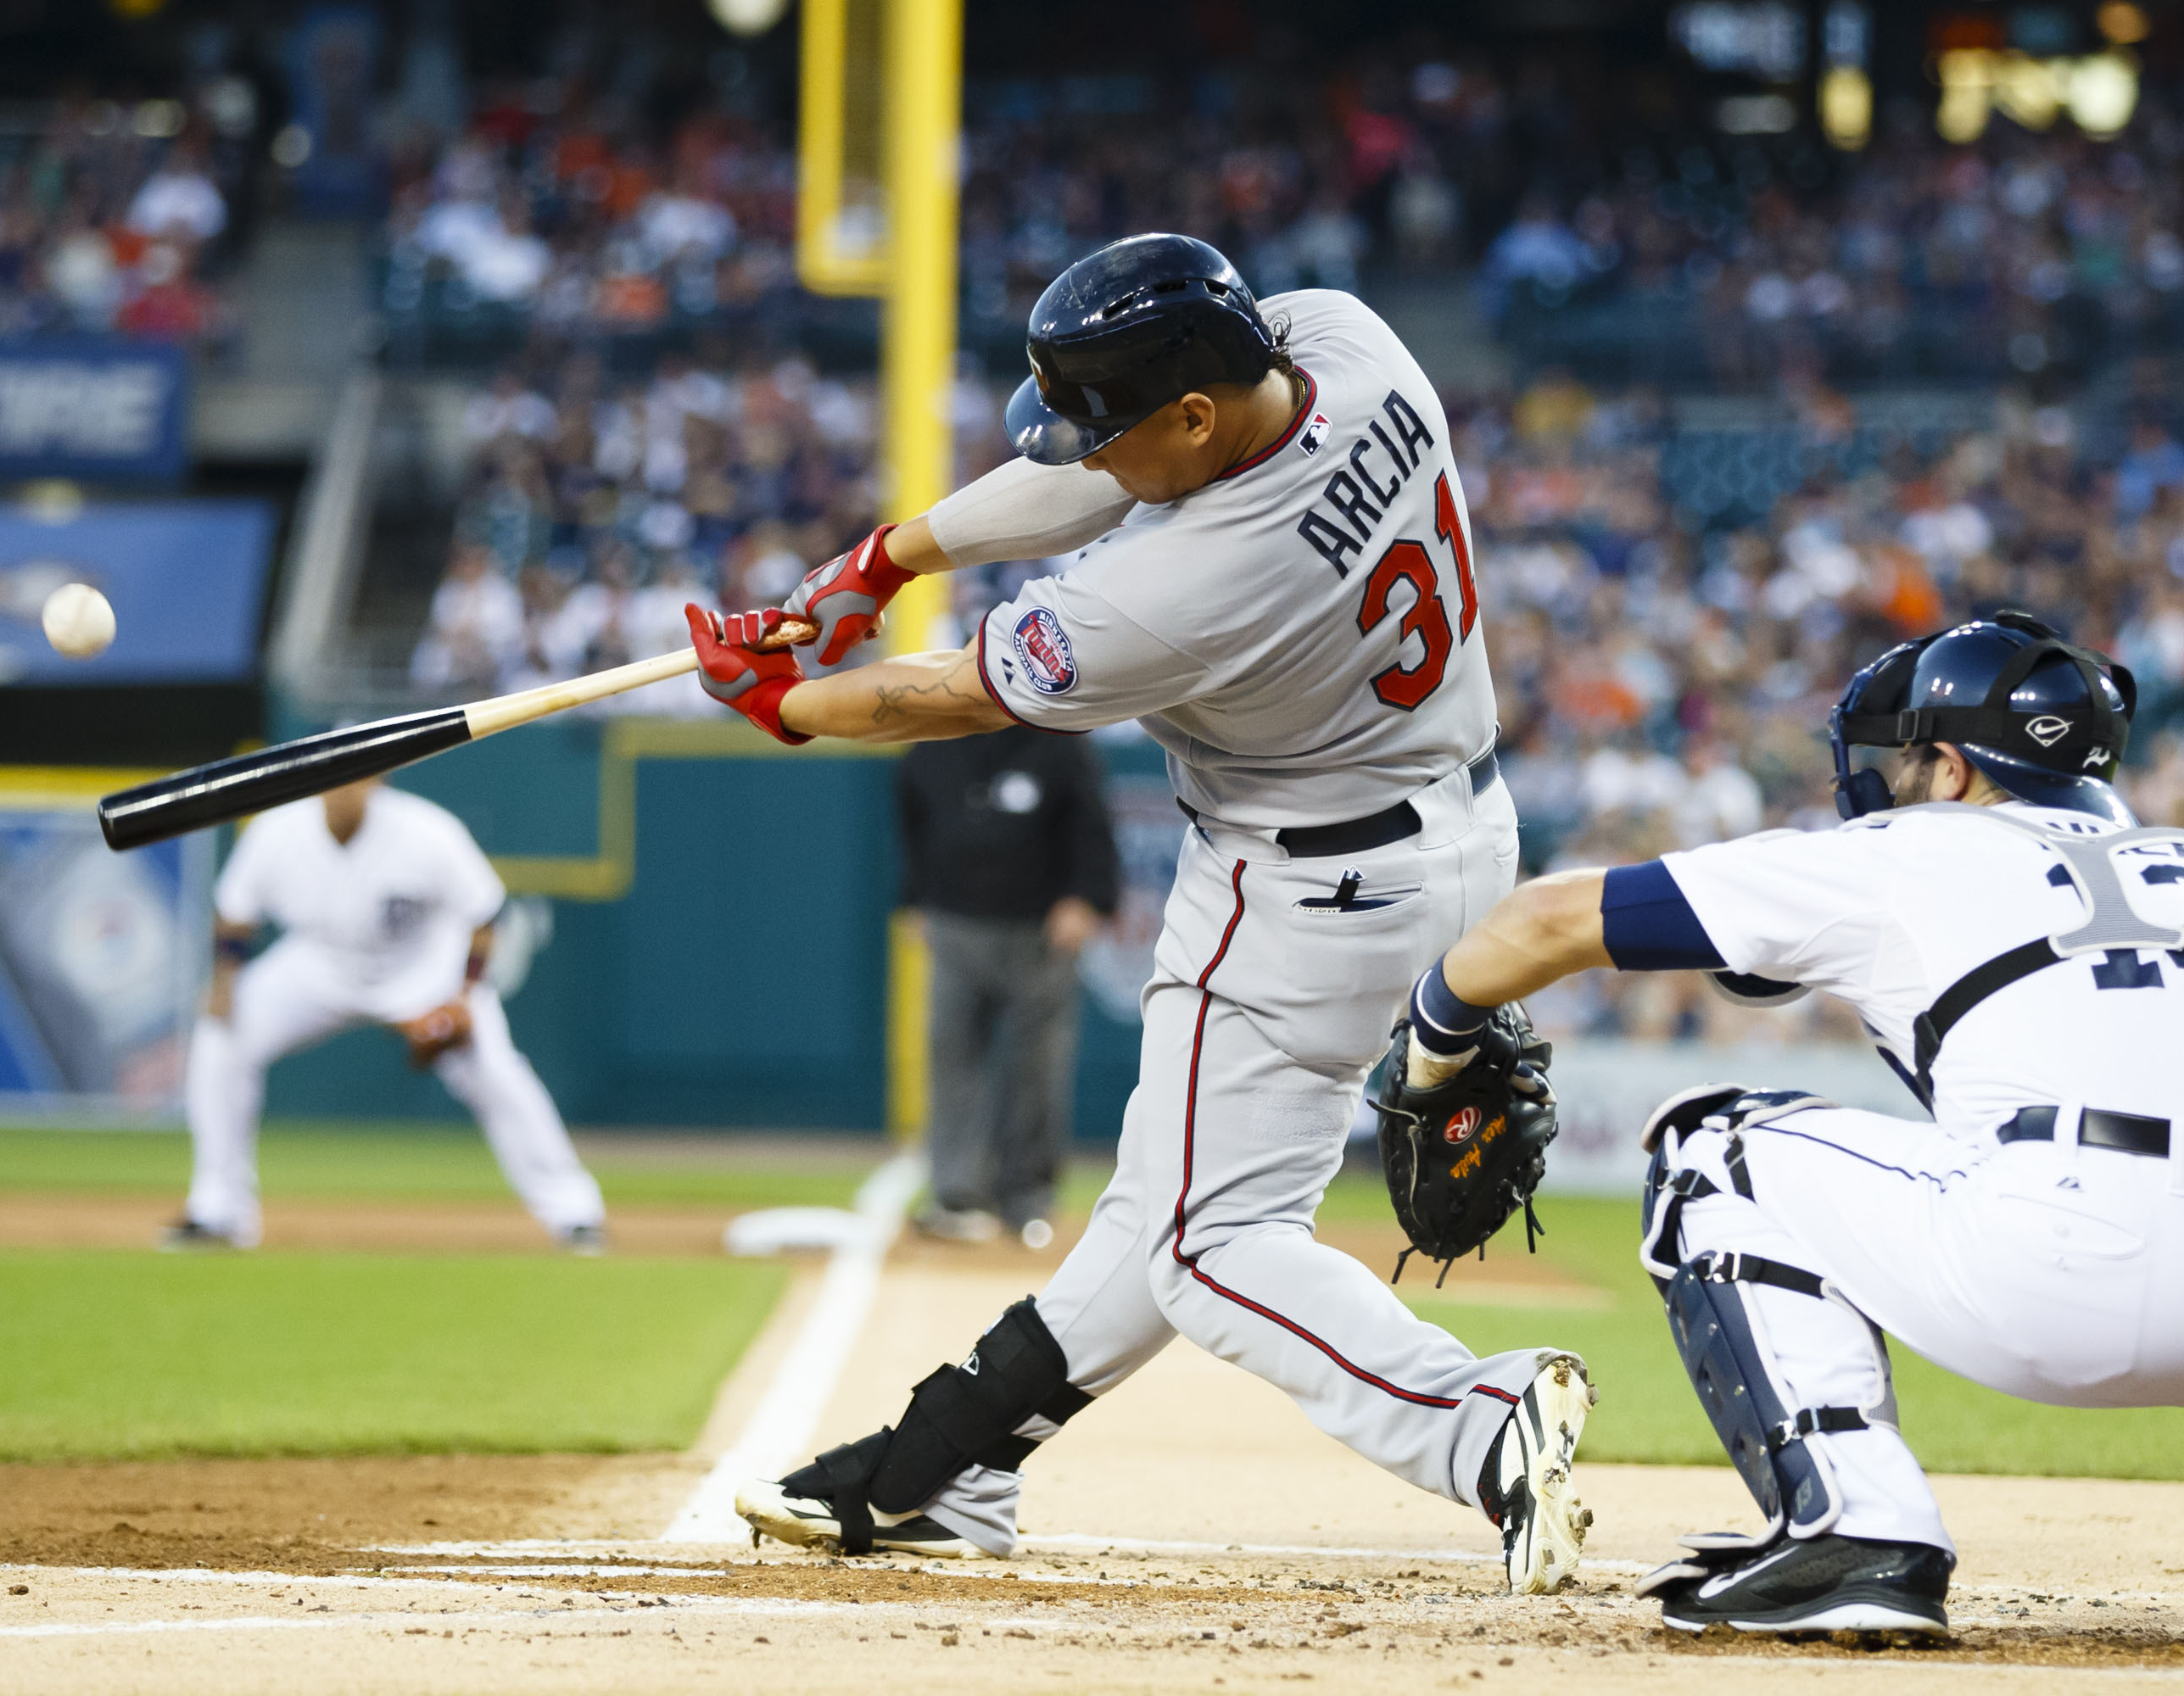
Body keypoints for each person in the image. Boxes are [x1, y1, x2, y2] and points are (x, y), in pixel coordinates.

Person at [690, 234, 1596, 1592]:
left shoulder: (1178, 592)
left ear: (1191, 412)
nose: (1085, 453)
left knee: (1210, 1247)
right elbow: (1079, 481)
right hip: (1458, 834)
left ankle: (1477, 1425)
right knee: (1165, 1205)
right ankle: (956, 1464)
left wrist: (786, 702)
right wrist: (880, 561)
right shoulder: (1349, 342)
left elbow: (941, 697)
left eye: (1111, 428)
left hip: (1300, 889)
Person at [1400, 612, 2179, 1635]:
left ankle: (1858, 1528)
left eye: (1907, 757)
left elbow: (1548, 921)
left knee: (1711, 1151)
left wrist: (1432, 1039)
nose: (1891, 778)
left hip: (2063, 1269)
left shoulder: (1911, 848)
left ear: (1950, 768)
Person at [164, 773, 605, 1254]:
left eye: (357, 773)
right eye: (333, 773)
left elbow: (485, 914)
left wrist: (464, 996)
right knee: (221, 1038)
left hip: (423, 969)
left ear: (378, 779)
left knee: (497, 1071)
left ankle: (574, 1212)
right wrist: (225, 982)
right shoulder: (277, 830)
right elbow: (234, 912)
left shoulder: (426, 830)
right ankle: (218, 1211)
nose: (343, 787)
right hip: (319, 964)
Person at [898, 728, 1120, 1247]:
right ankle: (956, 1195)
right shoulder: (934, 741)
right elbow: (913, 821)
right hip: (955, 921)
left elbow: (1092, 822)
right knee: (952, 1054)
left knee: (1035, 1066)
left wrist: (1085, 897)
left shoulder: (1059, 740)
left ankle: (1027, 1198)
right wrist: (913, 897)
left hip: (1036, 925)